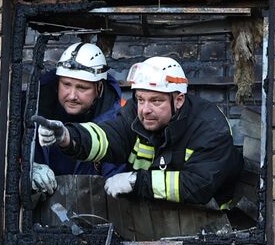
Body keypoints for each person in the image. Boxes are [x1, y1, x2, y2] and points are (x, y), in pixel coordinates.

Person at [33, 56, 244, 210]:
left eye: (156, 101)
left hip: (213, 220)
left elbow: (199, 186)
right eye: (141, 99)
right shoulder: (136, 112)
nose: (145, 109)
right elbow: (108, 137)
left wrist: (136, 181)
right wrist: (68, 137)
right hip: (158, 213)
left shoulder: (209, 126)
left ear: (178, 100)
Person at [31, 42, 125, 195]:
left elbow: (114, 184)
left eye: (82, 88)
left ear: (99, 88)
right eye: (66, 85)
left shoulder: (117, 121)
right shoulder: (32, 110)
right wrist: (28, 169)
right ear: (57, 84)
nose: (72, 95)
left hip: (94, 211)